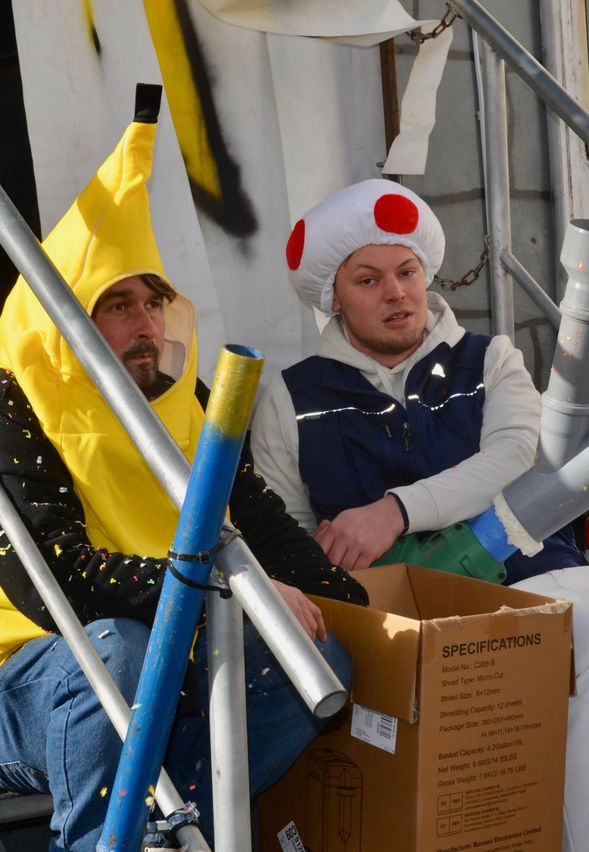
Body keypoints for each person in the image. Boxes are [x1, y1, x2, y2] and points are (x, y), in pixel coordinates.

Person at [252, 178, 589, 852]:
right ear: (332, 298)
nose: (395, 292)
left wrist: (395, 511)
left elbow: (515, 455)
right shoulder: (290, 395)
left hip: (555, 582)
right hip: (424, 624)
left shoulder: (490, 358)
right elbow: (282, 533)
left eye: (406, 271)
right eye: (367, 279)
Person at [0, 90, 367, 851]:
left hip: (154, 654)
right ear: (65, 318)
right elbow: (55, 583)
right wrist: (238, 593)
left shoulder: (178, 396)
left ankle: (176, 820)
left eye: (155, 301)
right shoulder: (12, 398)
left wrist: (361, 614)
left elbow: (255, 517)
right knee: (119, 654)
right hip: (29, 675)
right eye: (118, 305)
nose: (147, 325)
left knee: (317, 658)